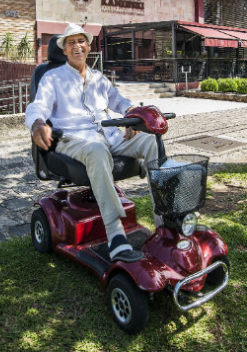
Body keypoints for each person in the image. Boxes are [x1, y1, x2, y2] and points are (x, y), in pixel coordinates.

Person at [25, 23, 157, 262]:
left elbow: (119, 100)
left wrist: (131, 115)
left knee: (151, 143)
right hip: (72, 138)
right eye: (71, 42)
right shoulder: (50, 78)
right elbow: (37, 106)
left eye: (81, 41)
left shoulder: (97, 77)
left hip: (108, 134)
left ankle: (165, 220)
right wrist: (36, 124)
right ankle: (116, 236)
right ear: (64, 49)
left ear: (88, 46)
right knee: (96, 149)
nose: (77, 46)